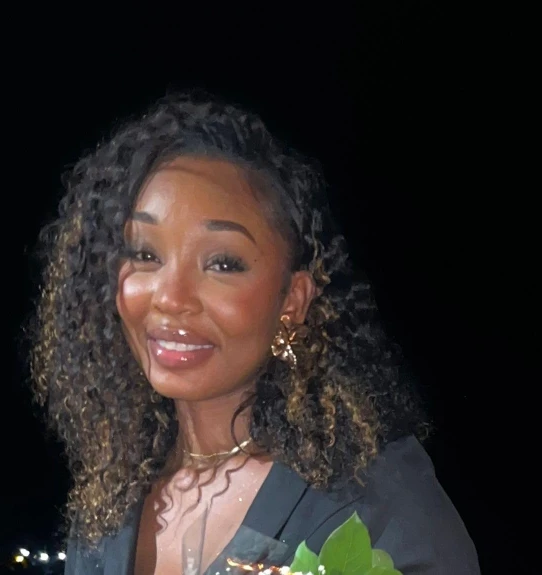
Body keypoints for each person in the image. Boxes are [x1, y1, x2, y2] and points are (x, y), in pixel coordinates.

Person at [29, 93, 480, 574]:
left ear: (292, 301)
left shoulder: (372, 497)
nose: (171, 297)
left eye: (223, 263)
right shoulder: (108, 507)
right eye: (145, 254)